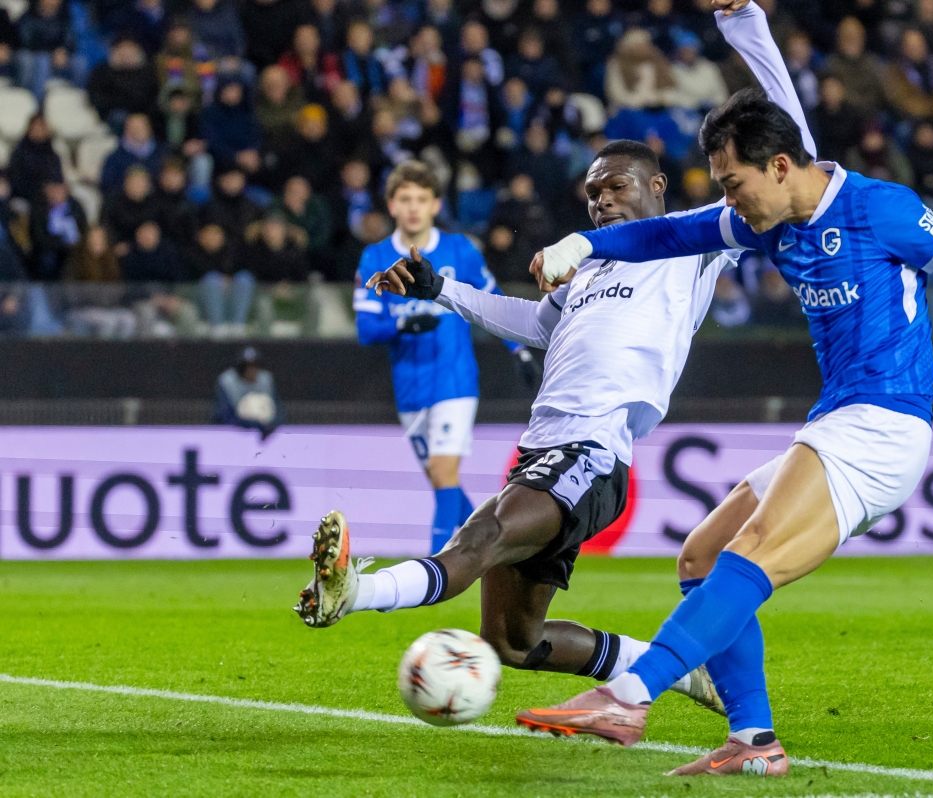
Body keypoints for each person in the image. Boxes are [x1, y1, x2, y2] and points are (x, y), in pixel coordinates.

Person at [517, 0, 933, 775]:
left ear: (781, 166)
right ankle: (753, 740)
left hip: (885, 423)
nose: (728, 202)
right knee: (703, 553)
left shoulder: (878, 209)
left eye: (733, 184)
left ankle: (630, 693)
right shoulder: (763, 220)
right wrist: (581, 241)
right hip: (844, 419)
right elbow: (664, 233)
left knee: (750, 552)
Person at [296, 143, 749, 714]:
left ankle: (356, 592)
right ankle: (680, 668)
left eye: (616, 187)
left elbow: (777, 189)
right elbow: (533, 325)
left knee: (479, 537)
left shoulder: (695, 243)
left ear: (657, 185)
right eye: (592, 193)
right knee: (512, 639)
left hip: (594, 449)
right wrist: (440, 291)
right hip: (543, 447)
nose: (603, 202)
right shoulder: (588, 268)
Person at [344, 162, 540, 556]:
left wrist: (518, 350)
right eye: (405, 199)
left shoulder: (459, 250)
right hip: (409, 388)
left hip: (455, 380)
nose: (414, 207)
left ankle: (432, 567)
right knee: (443, 482)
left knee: (444, 472)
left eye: (421, 199)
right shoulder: (375, 257)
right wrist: (403, 328)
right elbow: (366, 330)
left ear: (435, 205)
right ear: (392, 206)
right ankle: (498, 553)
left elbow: (493, 303)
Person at [213, 346, 280, 437]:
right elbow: (222, 415)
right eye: (247, 367)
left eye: (254, 366)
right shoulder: (228, 382)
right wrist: (251, 424)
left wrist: (269, 424)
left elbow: (278, 411)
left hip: (265, 434)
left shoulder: (265, 380)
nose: (251, 371)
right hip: (234, 435)